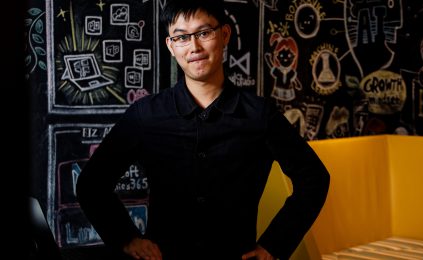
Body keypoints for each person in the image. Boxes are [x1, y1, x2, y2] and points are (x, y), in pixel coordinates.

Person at [76, 0, 330, 259]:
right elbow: (91, 184)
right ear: (171, 46)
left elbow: (314, 179)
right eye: (181, 37)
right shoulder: (146, 115)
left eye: (204, 33)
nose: (194, 47)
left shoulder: (259, 115)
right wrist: (126, 239)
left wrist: (274, 245)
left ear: (225, 35)